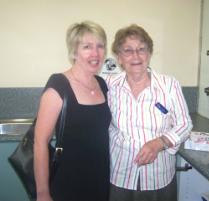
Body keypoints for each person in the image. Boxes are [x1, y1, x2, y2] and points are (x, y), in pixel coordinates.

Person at [106, 24, 193, 201]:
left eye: (141, 49)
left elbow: (185, 124)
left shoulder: (169, 85)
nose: (136, 56)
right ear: (119, 57)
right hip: (120, 174)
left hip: (158, 176)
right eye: (128, 50)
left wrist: (160, 142)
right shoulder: (109, 86)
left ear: (149, 54)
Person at [34, 21, 111, 201]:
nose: (95, 53)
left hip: (100, 178)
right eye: (87, 47)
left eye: (100, 46)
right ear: (74, 52)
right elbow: (40, 142)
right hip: (67, 181)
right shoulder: (58, 86)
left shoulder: (102, 84)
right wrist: (43, 193)